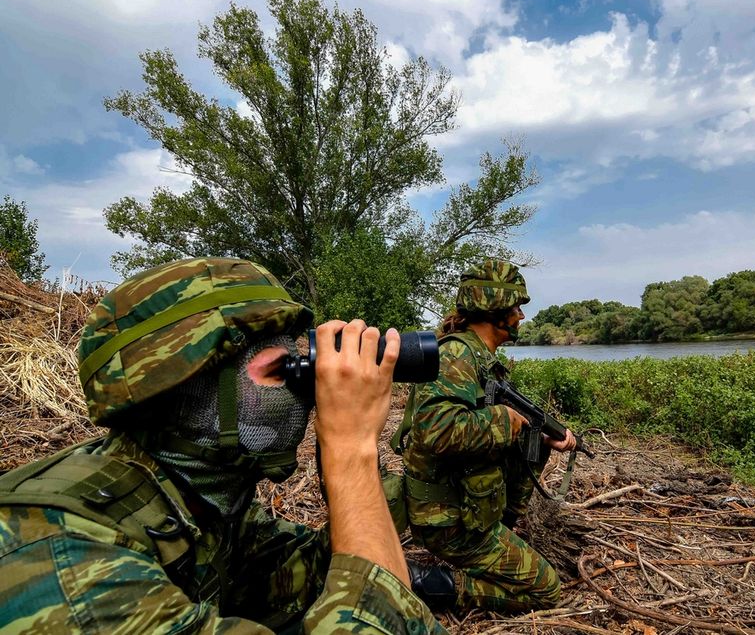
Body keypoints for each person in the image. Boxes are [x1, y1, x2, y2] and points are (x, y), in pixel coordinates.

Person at [0, 257, 447, 634]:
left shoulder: (196, 502)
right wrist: (351, 450)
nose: (306, 393)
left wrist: (351, 469)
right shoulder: (76, 562)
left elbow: (350, 578)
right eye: (281, 371)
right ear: (191, 391)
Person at [394, 259, 577, 613]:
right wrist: (506, 421)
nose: (521, 317)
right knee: (546, 591)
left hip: (464, 507)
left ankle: (496, 538)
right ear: (496, 311)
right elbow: (436, 429)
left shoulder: (478, 357)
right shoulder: (456, 355)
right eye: (516, 309)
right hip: (447, 519)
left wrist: (542, 438)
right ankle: (425, 583)